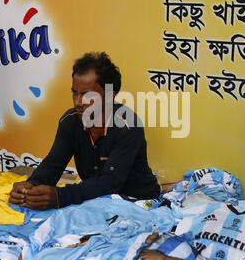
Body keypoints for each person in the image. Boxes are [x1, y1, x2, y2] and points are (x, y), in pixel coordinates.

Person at [9, 52, 160, 209]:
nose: (78, 102)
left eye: (87, 95)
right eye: (75, 93)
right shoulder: (70, 121)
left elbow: (111, 182)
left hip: (138, 202)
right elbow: (54, 164)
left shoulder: (128, 125)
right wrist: (31, 187)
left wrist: (60, 196)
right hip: (95, 200)